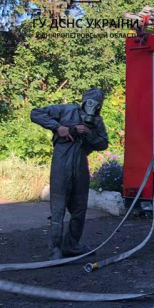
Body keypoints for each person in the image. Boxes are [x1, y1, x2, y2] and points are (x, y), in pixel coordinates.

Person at [30, 89, 109, 260]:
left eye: (97, 103)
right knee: (58, 209)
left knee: (79, 209)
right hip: (61, 164)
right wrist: (59, 128)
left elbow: (103, 144)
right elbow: (35, 113)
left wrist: (88, 132)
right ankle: (56, 249)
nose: (93, 105)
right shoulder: (67, 110)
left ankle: (72, 245)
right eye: (90, 101)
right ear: (84, 100)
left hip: (80, 165)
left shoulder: (97, 121)